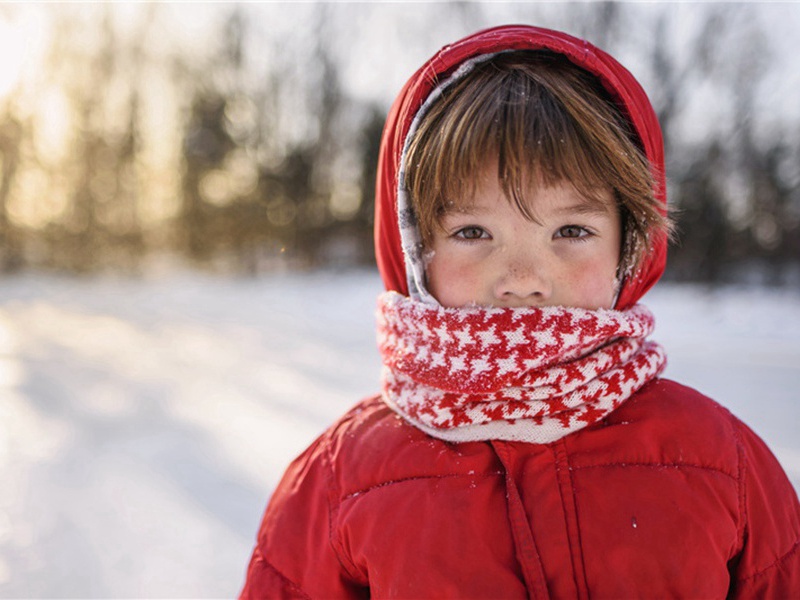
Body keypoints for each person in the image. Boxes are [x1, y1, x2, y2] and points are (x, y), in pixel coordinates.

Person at [240, 25, 800, 598]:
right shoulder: (339, 480)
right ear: (414, 248)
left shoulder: (720, 462)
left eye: (572, 229)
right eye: (473, 230)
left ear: (629, 244)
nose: (524, 279)